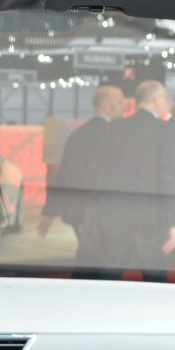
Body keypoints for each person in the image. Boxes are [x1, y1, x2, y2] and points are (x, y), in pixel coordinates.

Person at [99, 80, 175, 282]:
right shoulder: (167, 130)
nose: (167, 103)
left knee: (110, 277)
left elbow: (103, 173)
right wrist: (174, 223)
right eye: (165, 98)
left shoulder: (115, 128)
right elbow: (169, 177)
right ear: (155, 99)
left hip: (115, 214)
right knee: (155, 279)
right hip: (150, 217)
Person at [48, 84, 124, 270]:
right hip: (106, 210)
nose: (123, 106)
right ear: (106, 106)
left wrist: (51, 211)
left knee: (88, 256)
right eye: (120, 102)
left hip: (81, 209)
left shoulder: (78, 134)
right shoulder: (118, 134)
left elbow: (66, 173)